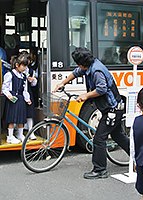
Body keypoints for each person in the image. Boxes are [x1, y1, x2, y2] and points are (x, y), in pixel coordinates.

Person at [54, 47, 129, 179]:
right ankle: (139, 156)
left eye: (78, 63)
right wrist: (62, 83)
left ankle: (100, 170)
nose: (78, 66)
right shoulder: (88, 66)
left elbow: (101, 89)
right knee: (118, 135)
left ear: (82, 63)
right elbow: (76, 73)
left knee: (99, 139)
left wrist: (86, 95)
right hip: (111, 108)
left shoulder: (97, 71)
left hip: (113, 109)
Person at [2, 54, 32, 144]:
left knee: (21, 118)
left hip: (21, 99)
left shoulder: (23, 77)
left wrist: (27, 99)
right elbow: (4, 87)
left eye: (26, 66)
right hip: (13, 98)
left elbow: (25, 89)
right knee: (12, 119)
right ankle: (10, 137)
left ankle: (20, 134)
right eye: (23, 65)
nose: (24, 68)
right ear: (17, 65)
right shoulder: (9, 75)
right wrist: (9, 95)